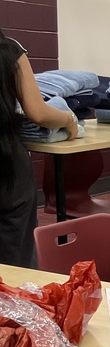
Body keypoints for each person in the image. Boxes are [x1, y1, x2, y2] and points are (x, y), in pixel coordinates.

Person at [0, 28, 79, 268]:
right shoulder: (9, 49)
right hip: (7, 166)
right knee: (16, 257)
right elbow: (38, 113)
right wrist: (69, 120)